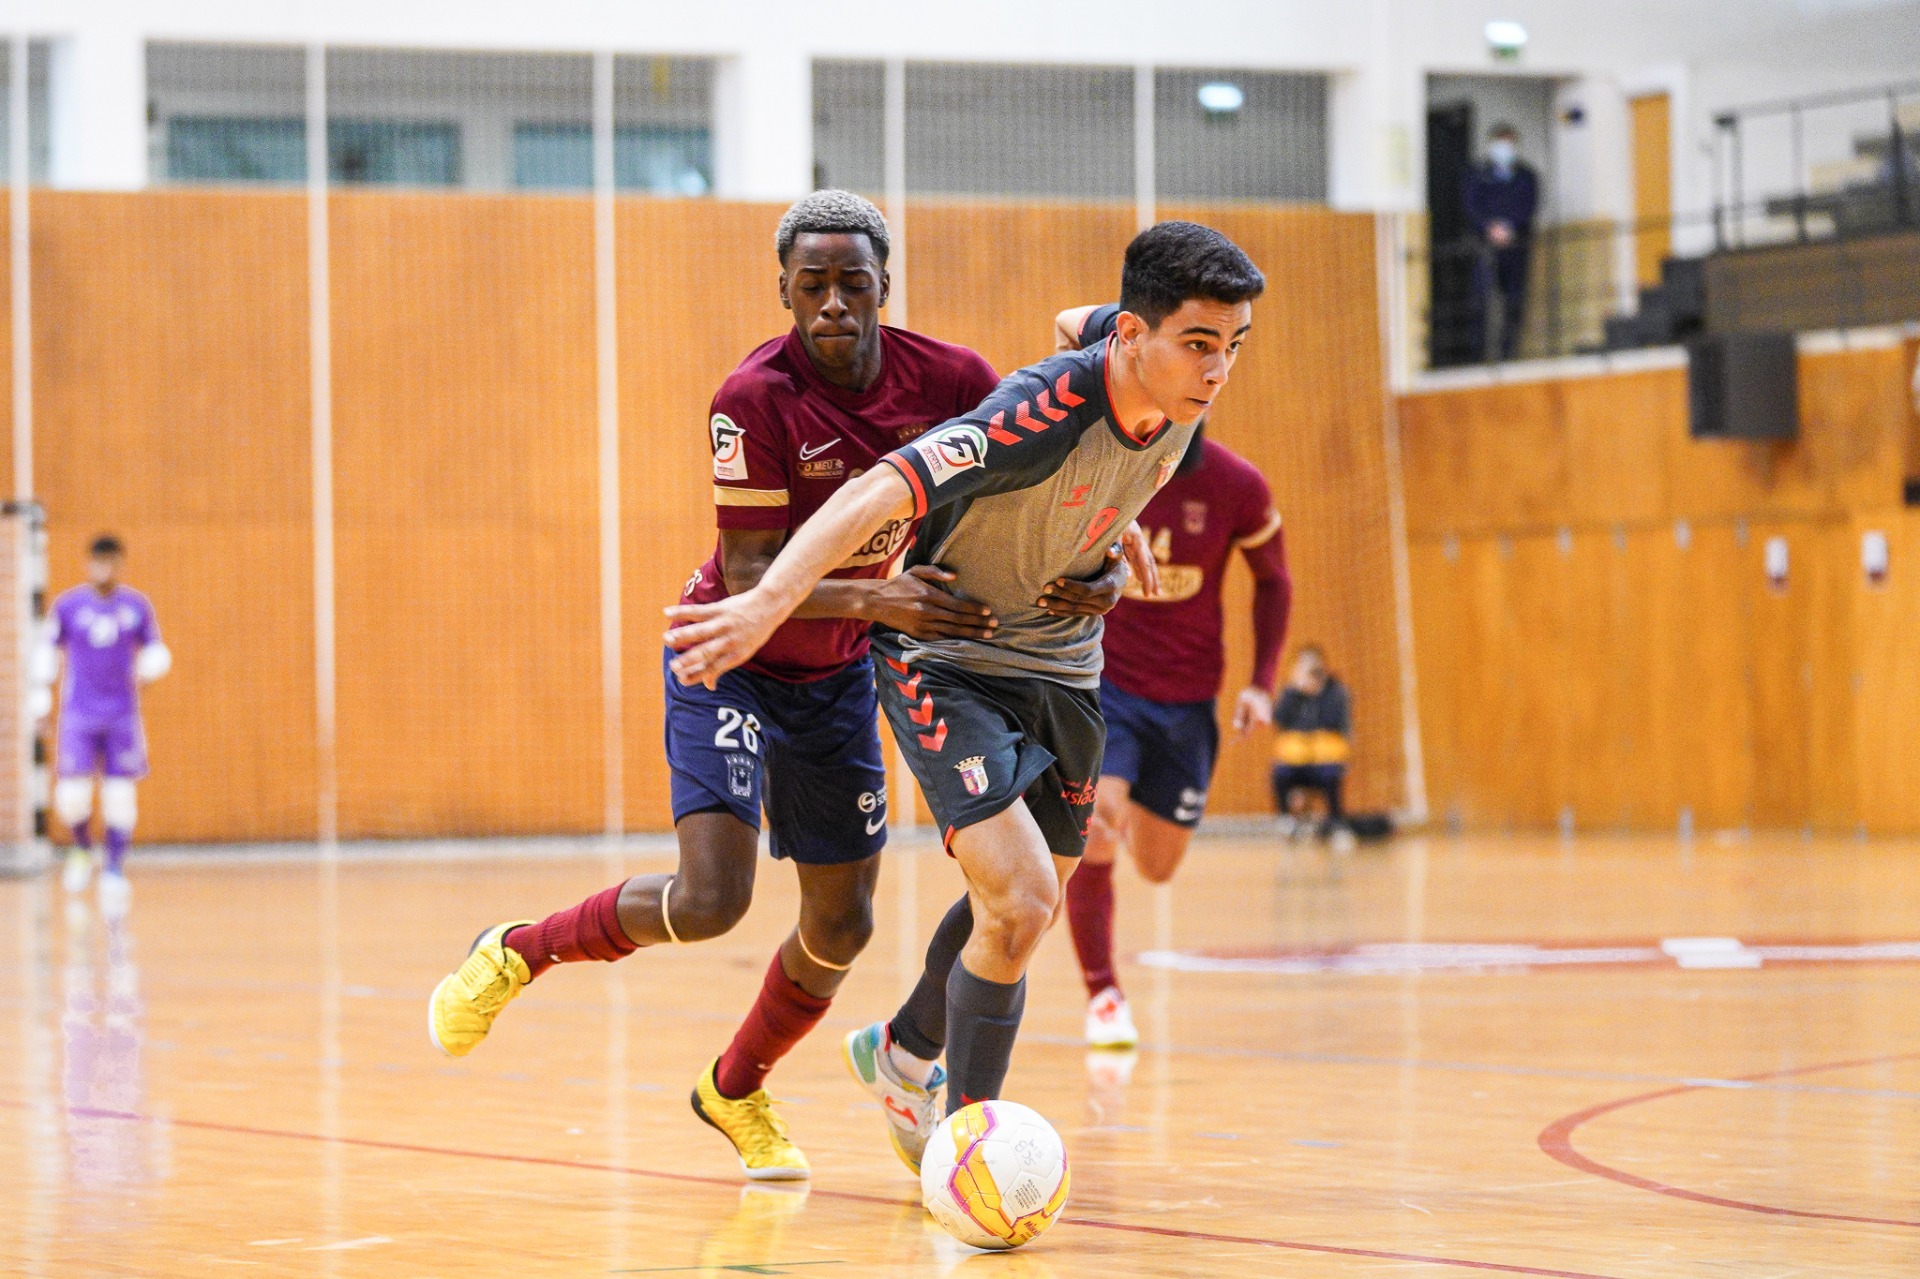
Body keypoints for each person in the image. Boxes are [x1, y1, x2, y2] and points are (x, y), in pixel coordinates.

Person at [425, 191, 1130, 1182]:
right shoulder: (752, 400)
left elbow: (1039, 487)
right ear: (785, 292)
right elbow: (754, 578)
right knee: (713, 897)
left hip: (840, 675)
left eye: (854, 282)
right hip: (731, 660)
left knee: (843, 923)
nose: (834, 302)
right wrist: (882, 596)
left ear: (884, 285)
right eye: (813, 285)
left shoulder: (953, 379)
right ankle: (518, 949)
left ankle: (734, 1088)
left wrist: (1104, 556)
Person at [665, 221, 1265, 1173]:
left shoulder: (1161, 369)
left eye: (1233, 344)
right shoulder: (1033, 418)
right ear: (1136, 336)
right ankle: (968, 1149)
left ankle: (903, 1053)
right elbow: (873, 493)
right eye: (1200, 343)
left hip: (1063, 661)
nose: (1219, 368)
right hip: (949, 653)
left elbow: (1074, 318)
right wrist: (761, 605)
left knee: (1027, 897)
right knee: (1023, 901)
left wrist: (1112, 517)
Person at [1048, 304, 1292, 1049]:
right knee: (1096, 826)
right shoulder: (1111, 459)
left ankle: (1119, 818)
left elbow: (1274, 580)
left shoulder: (1237, 486)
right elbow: (1067, 329)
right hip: (1108, 686)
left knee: (1157, 866)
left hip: (1188, 701)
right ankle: (1104, 995)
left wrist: (1262, 681)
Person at [33, 535, 171, 916]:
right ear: (88, 564)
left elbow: (156, 649)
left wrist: (150, 669)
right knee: (71, 797)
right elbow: (46, 652)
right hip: (78, 716)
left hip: (122, 717)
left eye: (111, 562)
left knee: (120, 797)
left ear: (120, 565)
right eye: (98, 562)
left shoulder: (136, 607)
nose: (103, 569)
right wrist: (41, 703)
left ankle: (113, 867)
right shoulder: (69, 606)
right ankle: (81, 847)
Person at [1463, 122, 1539, 362]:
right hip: (1484, 247)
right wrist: (1489, 228)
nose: (1504, 149)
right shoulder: (1478, 174)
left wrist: (1510, 228)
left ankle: (1508, 353)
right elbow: (1471, 205)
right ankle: (1477, 355)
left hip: (1516, 247)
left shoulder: (1526, 176)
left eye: (1509, 143)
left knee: (1514, 302)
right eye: (1500, 143)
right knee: (1481, 301)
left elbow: (1528, 206)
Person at [1270, 645, 1351, 842]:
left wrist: (1318, 693)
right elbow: (1279, 719)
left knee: (1330, 772)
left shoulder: (1335, 691)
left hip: (1324, 760)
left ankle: (1335, 821)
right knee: (1279, 772)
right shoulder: (1291, 691)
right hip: (1297, 762)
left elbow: (1334, 721)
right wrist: (1295, 691)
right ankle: (1286, 821)